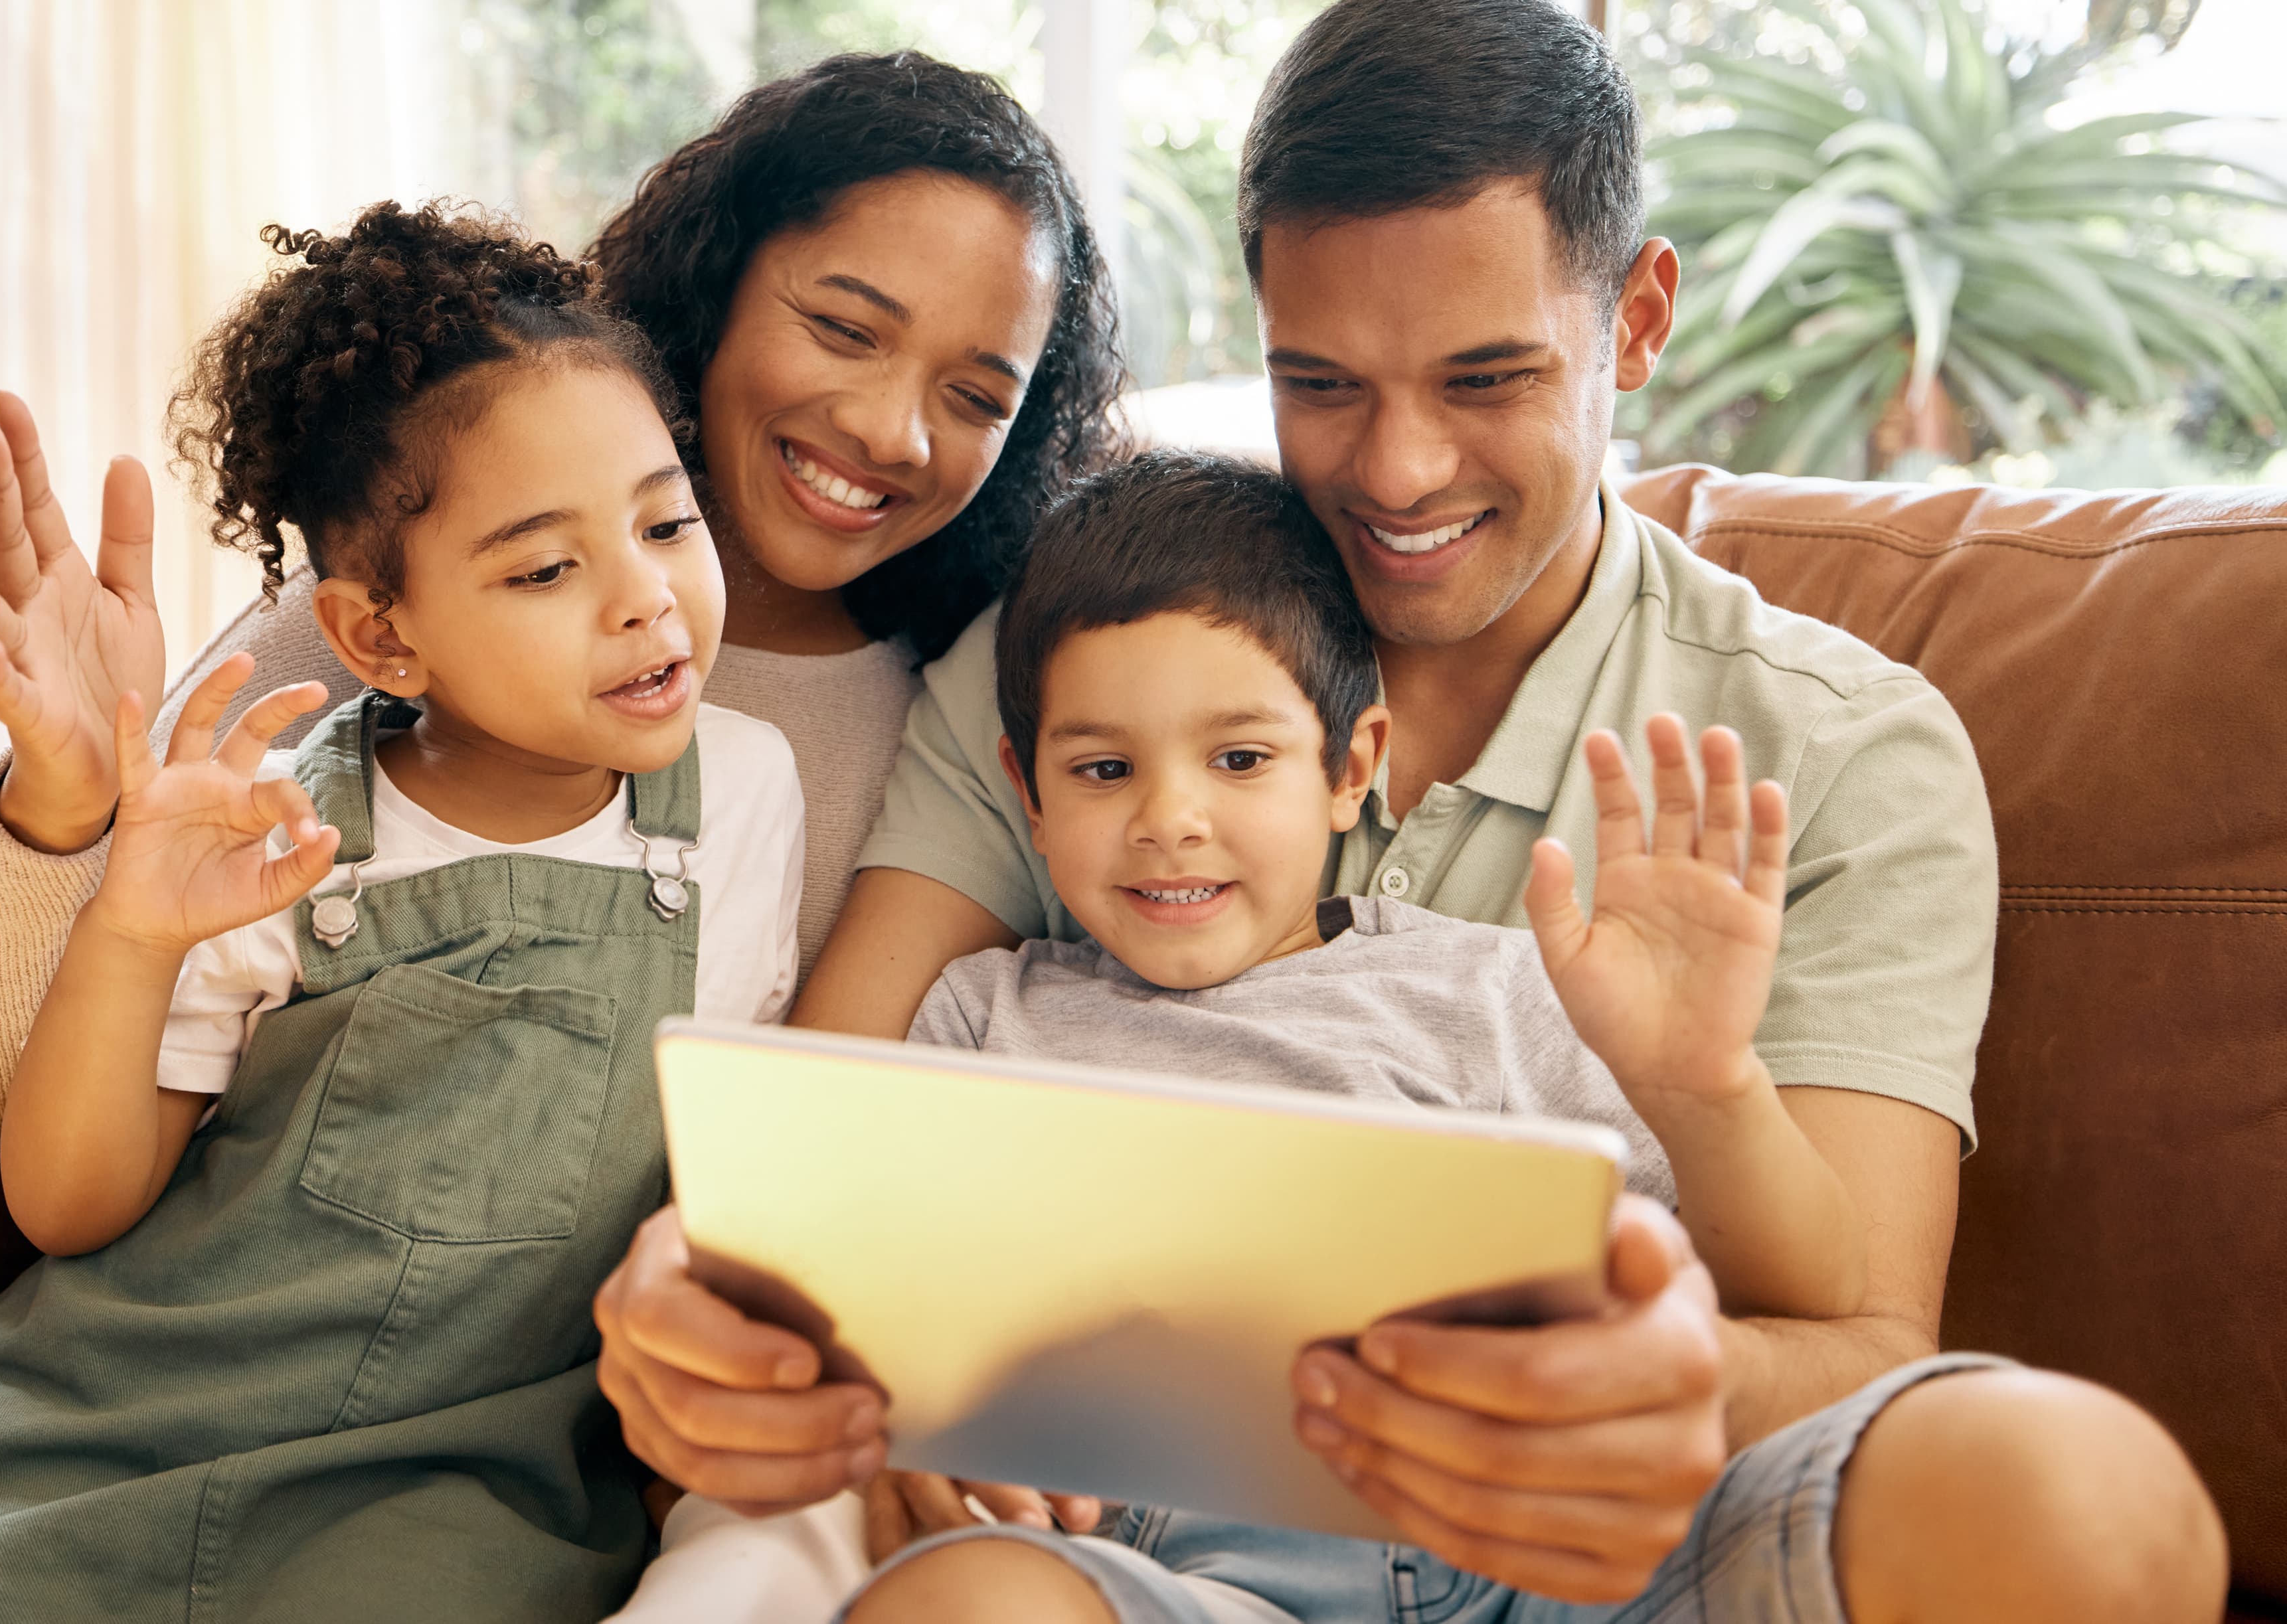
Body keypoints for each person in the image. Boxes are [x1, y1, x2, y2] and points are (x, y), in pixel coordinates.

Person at [592, 4, 2233, 1619]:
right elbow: (815, 1152)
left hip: (1615, 1536)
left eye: (1487, 375)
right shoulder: (1082, 652)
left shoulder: (1845, 746)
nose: (1395, 469)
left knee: (2084, 1494)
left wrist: (1653, 1370)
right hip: (1155, 1551)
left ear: (1636, 319)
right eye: (1320, 380)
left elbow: (1864, 1340)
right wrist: (737, 1319)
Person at [624, 448, 1891, 1624]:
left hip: (1515, 1554)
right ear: (1027, 793)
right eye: (1103, 770)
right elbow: (850, 1283)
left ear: (1353, 767)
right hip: (1174, 1574)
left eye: (1239, 757)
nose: (1171, 819)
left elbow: (1813, 1293)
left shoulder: (1500, 991)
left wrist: (1706, 1084)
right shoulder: (981, 1016)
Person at [0, 48, 1124, 1147]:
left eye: (975, 397)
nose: (891, 429)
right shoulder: (394, 615)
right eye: (846, 329)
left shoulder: (974, 729)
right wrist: (66, 809)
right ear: (719, 282)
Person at [0, 204, 805, 1619]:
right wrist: (130, 925)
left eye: (667, 521)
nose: (646, 597)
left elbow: (728, 1171)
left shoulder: (743, 793)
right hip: (125, 1444)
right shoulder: (274, 821)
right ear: (382, 633)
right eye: (546, 567)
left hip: (471, 1475)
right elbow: (70, 1206)